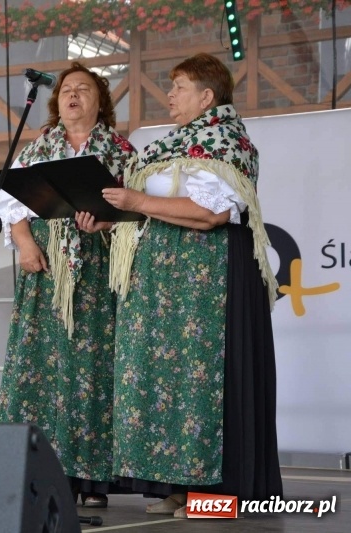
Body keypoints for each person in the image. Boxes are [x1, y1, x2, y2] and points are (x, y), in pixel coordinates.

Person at [105, 53, 282, 517]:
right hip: (165, 276)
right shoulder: (170, 145)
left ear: (207, 96)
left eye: (179, 86)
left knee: (205, 377)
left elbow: (211, 213)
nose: (170, 95)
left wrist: (136, 200)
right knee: (170, 379)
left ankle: (219, 494)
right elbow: (149, 206)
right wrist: (109, 217)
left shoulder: (226, 141)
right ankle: (180, 485)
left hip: (208, 274)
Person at [0, 62, 136, 508]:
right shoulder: (40, 147)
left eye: (83, 89)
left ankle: (90, 477)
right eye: (67, 90)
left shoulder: (121, 151)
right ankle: (39, 468)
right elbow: (10, 203)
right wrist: (24, 244)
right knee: (41, 362)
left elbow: (137, 213)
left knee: (90, 365)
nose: (73, 95)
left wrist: (108, 223)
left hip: (96, 268)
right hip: (45, 265)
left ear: (101, 101)